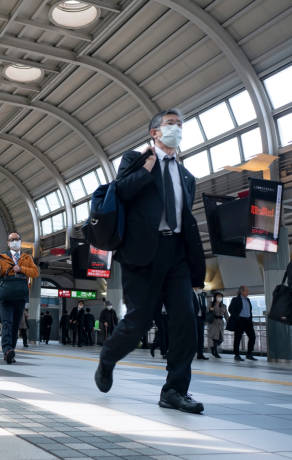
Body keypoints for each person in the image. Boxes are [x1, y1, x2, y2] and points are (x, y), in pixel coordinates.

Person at [94, 109, 207, 415]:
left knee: (185, 321)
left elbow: (184, 219)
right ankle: (108, 356)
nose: (177, 130)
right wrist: (146, 167)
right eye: (171, 124)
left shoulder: (187, 177)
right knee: (139, 322)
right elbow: (121, 192)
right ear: (155, 132)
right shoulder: (135, 159)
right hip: (142, 254)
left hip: (177, 255)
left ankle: (174, 390)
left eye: (180, 125)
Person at [0, 232, 39, 364]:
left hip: (20, 295)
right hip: (6, 295)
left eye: (17, 239)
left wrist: (21, 268)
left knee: (15, 325)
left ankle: (10, 350)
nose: (15, 241)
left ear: (20, 242)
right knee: (7, 323)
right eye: (12, 240)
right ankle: (7, 350)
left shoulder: (27, 258)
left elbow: (35, 272)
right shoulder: (1, 257)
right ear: (8, 243)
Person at [228, 285, 257, 361]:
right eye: (246, 291)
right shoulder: (235, 299)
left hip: (248, 321)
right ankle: (237, 355)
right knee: (237, 338)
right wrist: (237, 317)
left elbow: (249, 311)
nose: (248, 292)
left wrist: (250, 318)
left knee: (252, 337)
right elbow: (230, 309)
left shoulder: (248, 300)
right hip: (240, 321)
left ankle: (249, 354)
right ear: (242, 291)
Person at [207, 292, 228, 358]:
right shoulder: (211, 304)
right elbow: (208, 312)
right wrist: (211, 309)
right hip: (213, 322)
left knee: (220, 339)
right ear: (215, 297)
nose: (219, 298)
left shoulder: (224, 305)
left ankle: (213, 347)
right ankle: (215, 352)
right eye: (218, 296)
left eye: (220, 297)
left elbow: (226, 315)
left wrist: (229, 321)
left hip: (221, 323)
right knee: (214, 338)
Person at [192, 288, 209, 360]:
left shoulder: (202, 296)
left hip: (201, 318)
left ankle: (200, 354)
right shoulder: (190, 294)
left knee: (201, 337)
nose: (201, 289)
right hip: (193, 318)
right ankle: (191, 353)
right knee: (193, 337)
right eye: (200, 287)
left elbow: (204, 307)